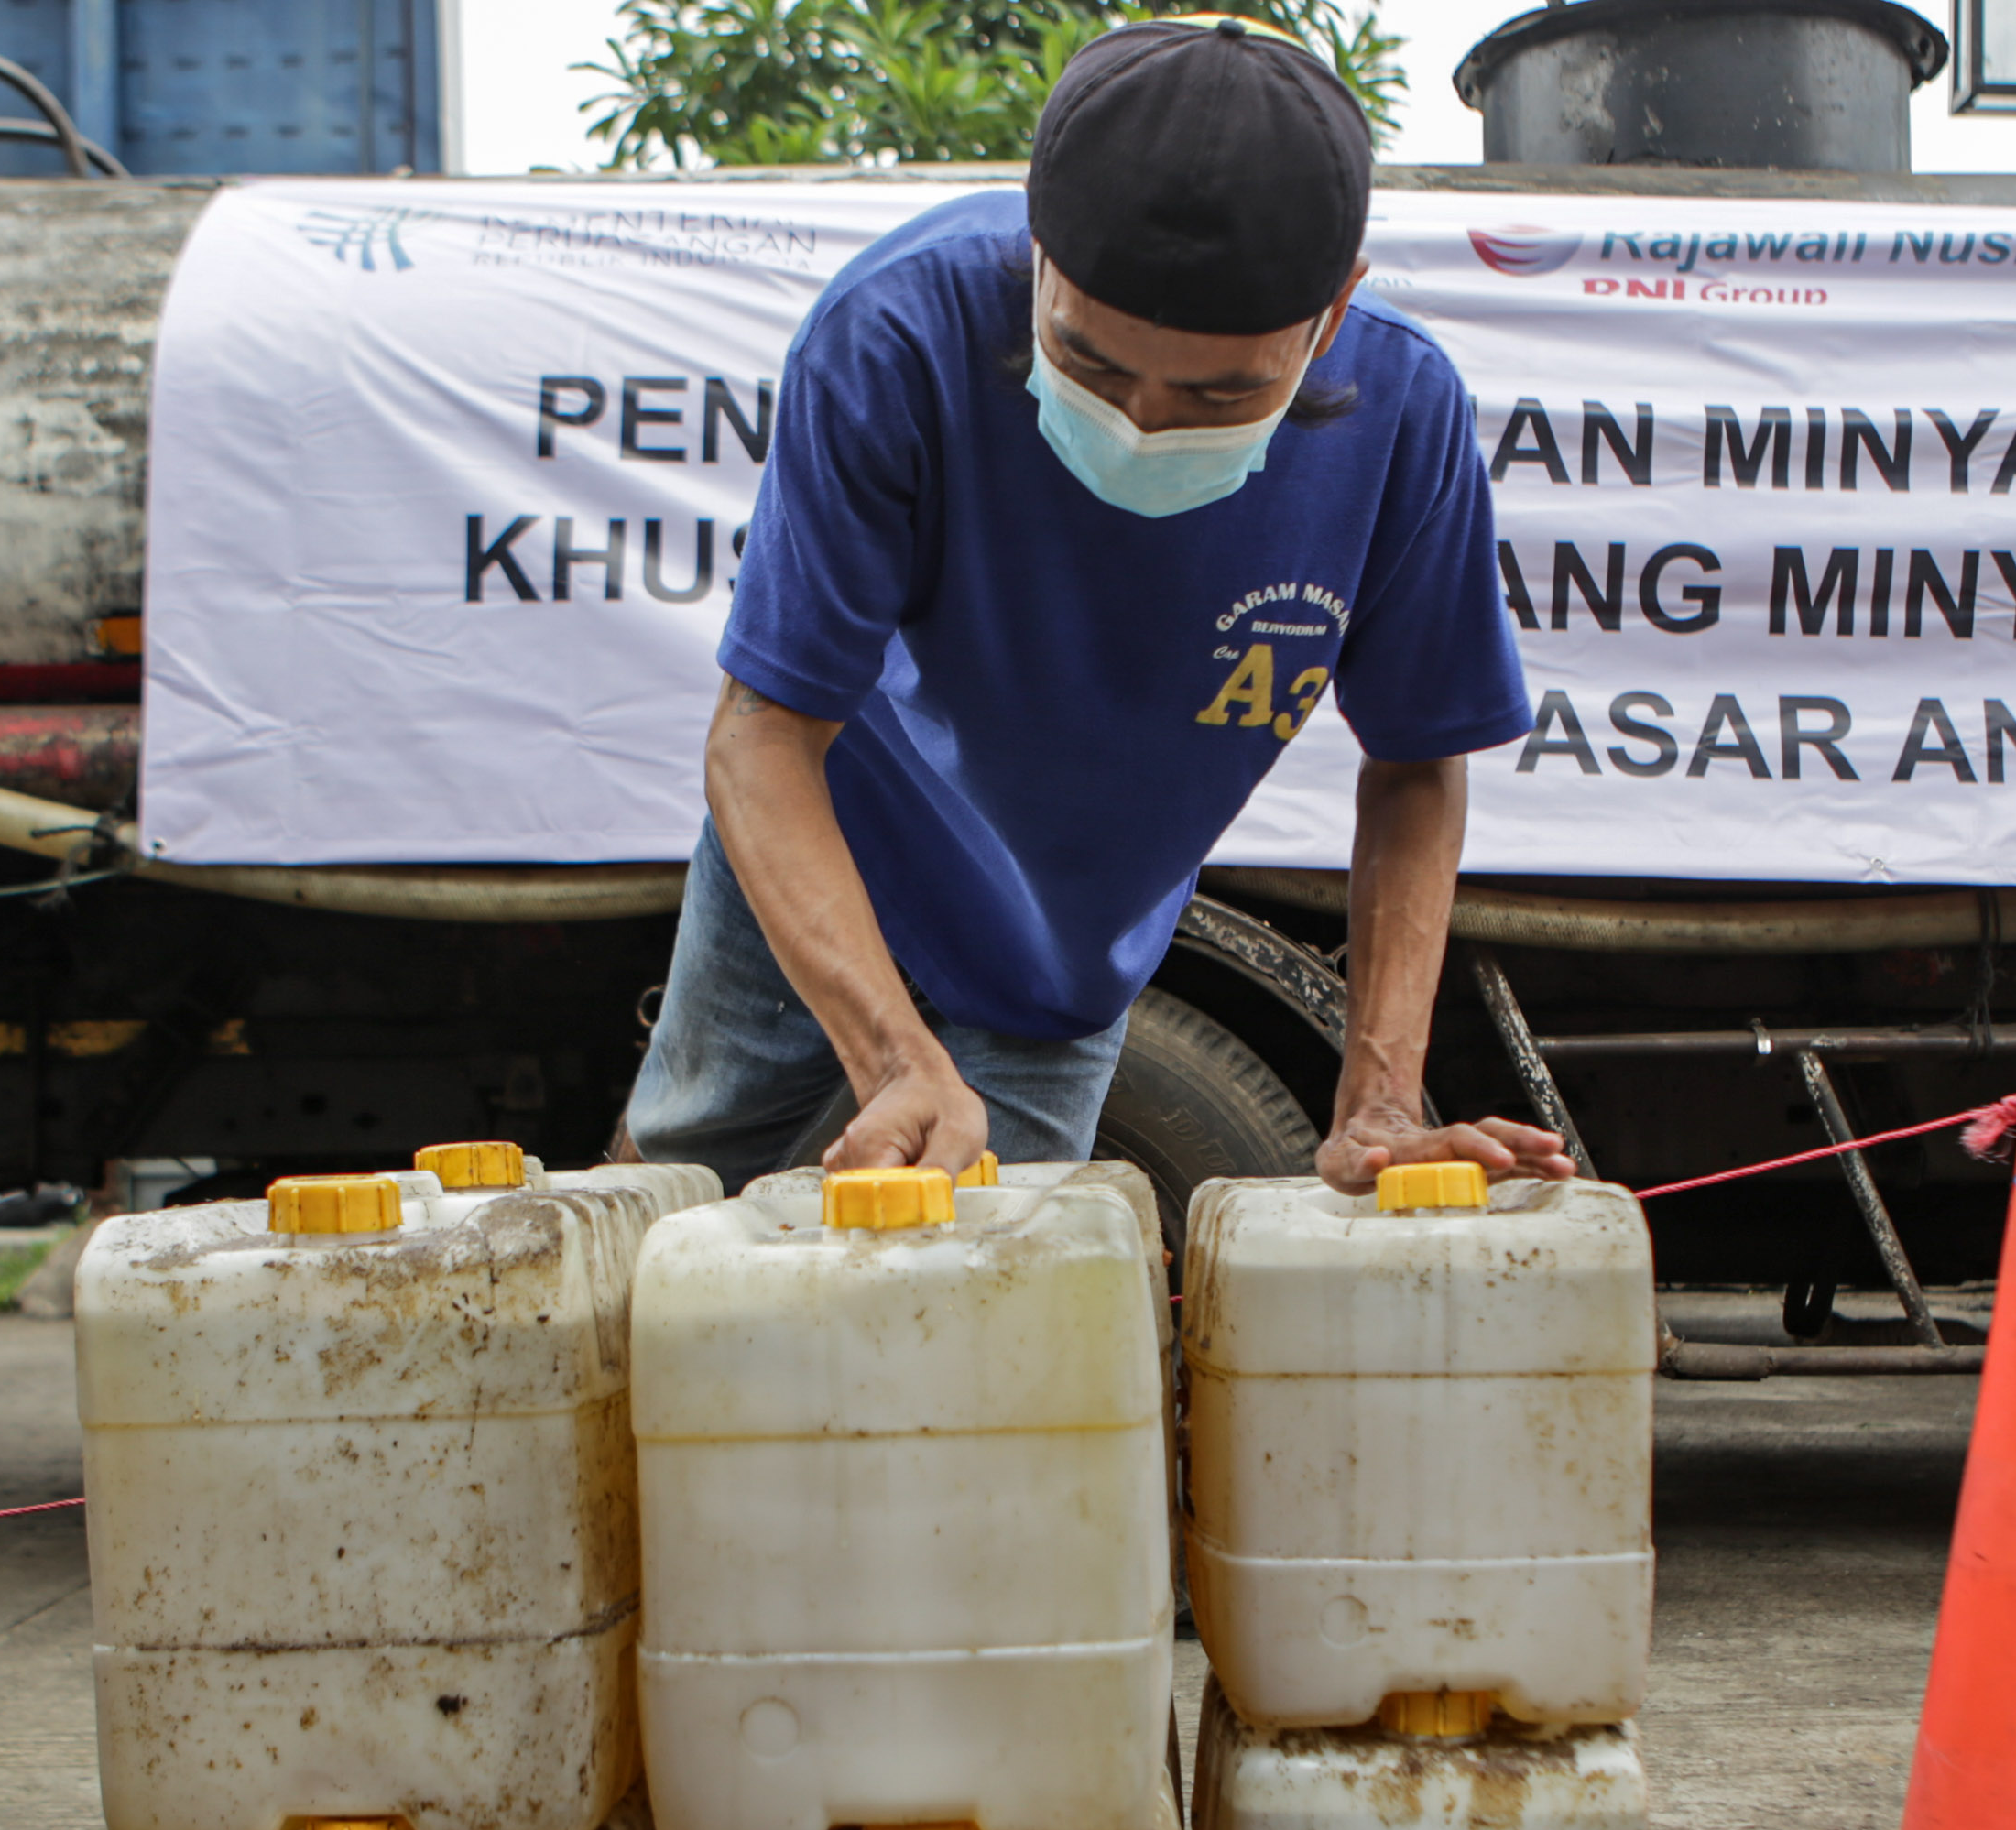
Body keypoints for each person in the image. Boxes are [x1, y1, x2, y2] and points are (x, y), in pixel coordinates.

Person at [620, 18, 1571, 1196]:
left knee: (989, 1294)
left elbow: (1420, 761)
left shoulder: (1401, 413)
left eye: (1221, 390)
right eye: (1092, 364)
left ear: (1331, 317)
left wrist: (1379, 1098)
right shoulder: (896, 334)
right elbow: (761, 731)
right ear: (1039, 261)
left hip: (1065, 937)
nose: (1142, 423)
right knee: (668, 1212)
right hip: (830, 844)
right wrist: (892, 1059)